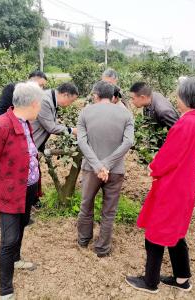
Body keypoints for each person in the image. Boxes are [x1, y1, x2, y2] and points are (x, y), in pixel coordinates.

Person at [125, 77, 195, 293]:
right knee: (176, 233)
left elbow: (169, 156)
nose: (176, 99)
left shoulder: (185, 123)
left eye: (179, 95)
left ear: (187, 98)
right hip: (184, 186)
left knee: (156, 232)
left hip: (172, 187)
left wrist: (153, 167)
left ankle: (150, 282)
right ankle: (182, 279)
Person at [0, 82, 44, 300]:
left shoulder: (25, 123)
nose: (40, 108)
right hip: (11, 191)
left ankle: (16, 259)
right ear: (33, 104)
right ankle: (6, 290)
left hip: (28, 188)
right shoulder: (2, 125)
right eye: (40, 104)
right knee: (9, 238)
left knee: (22, 225)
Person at [77, 80, 134, 257]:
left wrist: (97, 165)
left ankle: (84, 240)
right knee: (109, 211)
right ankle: (102, 248)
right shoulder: (126, 115)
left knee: (86, 205)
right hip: (115, 170)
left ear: (96, 95)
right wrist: (107, 164)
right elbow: (128, 142)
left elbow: (81, 142)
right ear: (113, 96)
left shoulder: (85, 112)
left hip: (91, 169)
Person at [31, 82, 79, 151]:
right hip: (27, 144)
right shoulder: (45, 101)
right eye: (71, 101)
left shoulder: (52, 99)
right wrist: (72, 130)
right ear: (65, 95)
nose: (70, 104)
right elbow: (51, 128)